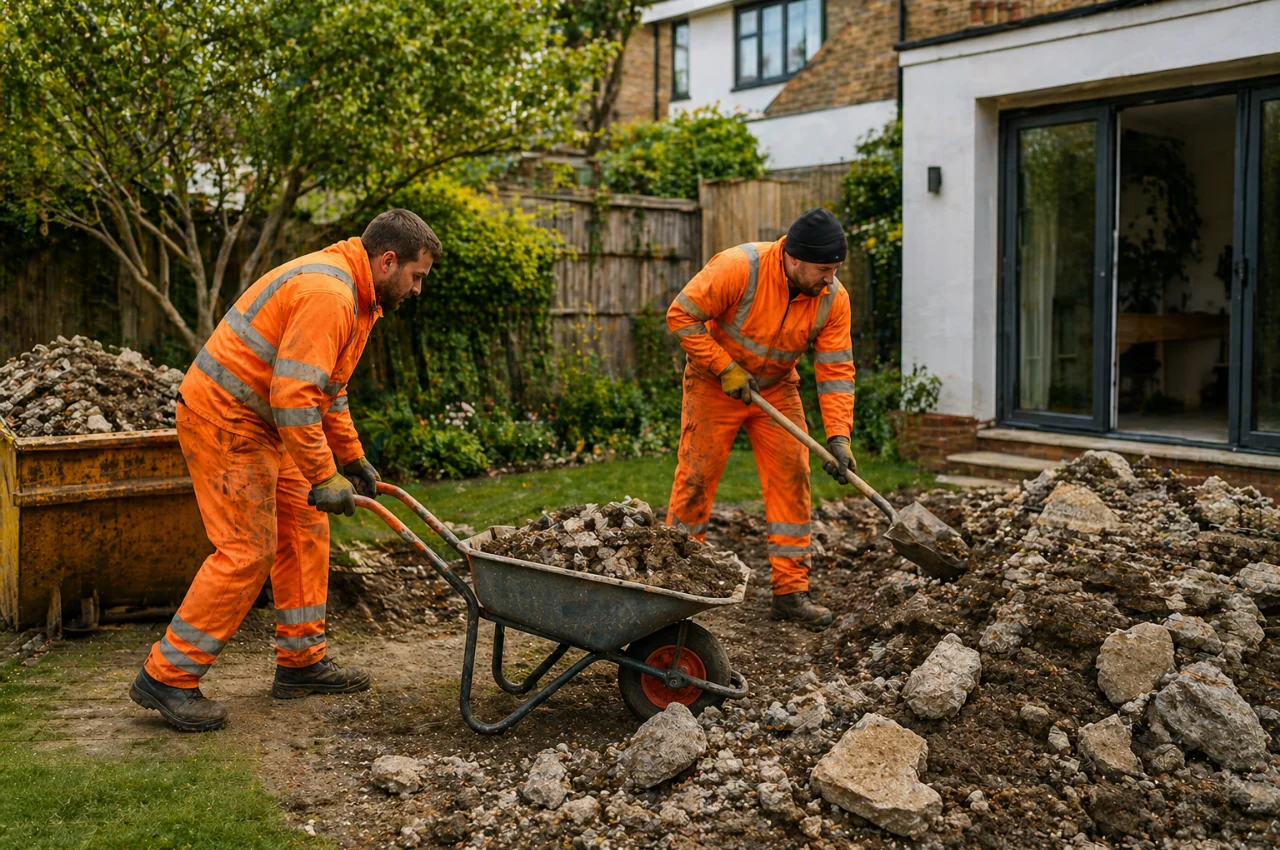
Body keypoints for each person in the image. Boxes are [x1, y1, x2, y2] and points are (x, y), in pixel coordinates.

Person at [129, 209, 440, 731]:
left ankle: (301, 662)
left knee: (304, 525)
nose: (417, 289)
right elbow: (294, 397)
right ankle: (167, 677)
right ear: (389, 261)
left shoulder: (358, 297)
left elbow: (326, 390)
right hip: (228, 419)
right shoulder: (330, 295)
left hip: (268, 421)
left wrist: (351, 458)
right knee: (248, 548)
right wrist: (323, 474)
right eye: (417, 276)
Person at [665, 208, 856, 629]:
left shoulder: (831, 299)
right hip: (714, 385)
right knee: (696, 478)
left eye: (835, 269)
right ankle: (672, 585)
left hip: (775, 388)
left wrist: (839, 437)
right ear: (793, 258)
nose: (830, 279)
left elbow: (836, 370)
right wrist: (723, 366)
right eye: (824, 269)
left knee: (793, 478)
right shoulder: (739, 267)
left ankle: (790, 593)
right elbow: (681, 315)